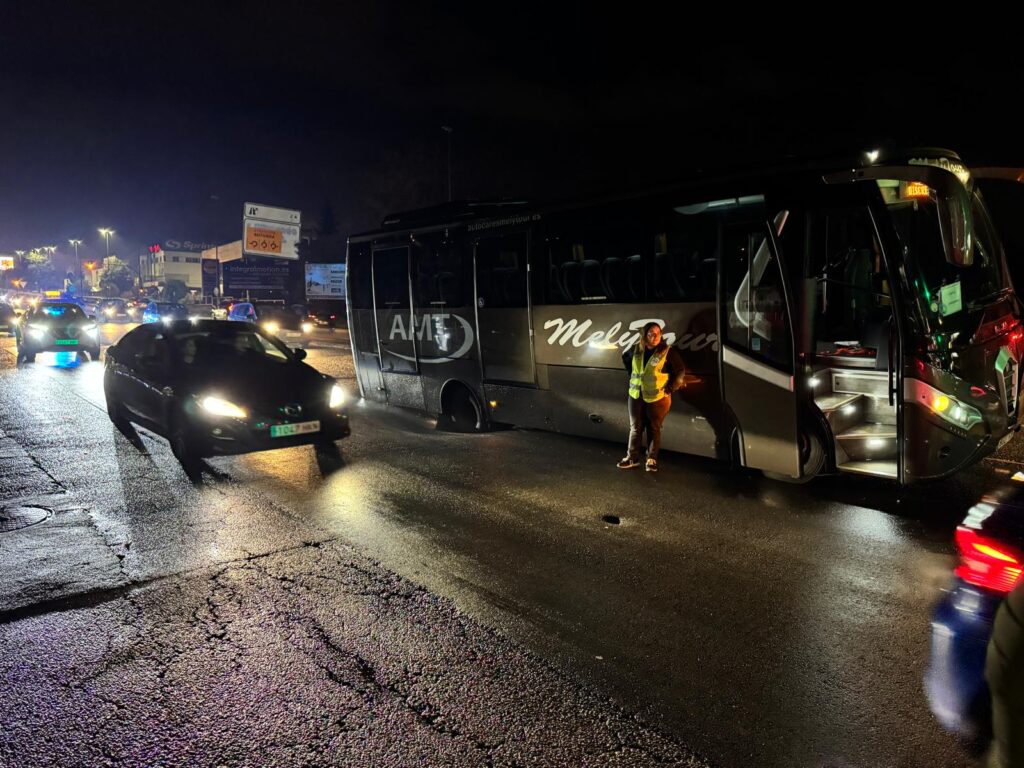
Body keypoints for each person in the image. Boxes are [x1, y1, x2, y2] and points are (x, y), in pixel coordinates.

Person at [617, 322, 686, 472]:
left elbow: (680, 371)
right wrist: (631, 373)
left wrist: (671, 388)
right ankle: (632, 458)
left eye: (657, 333)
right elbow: (625, 358)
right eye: (650, 333)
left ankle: (651, 459)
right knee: (635, 428)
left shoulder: (667, 351)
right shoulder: (636, 349)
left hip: (658, 397)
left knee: (654, 428)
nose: (654, 336)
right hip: (636, 395)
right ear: (644, 335)